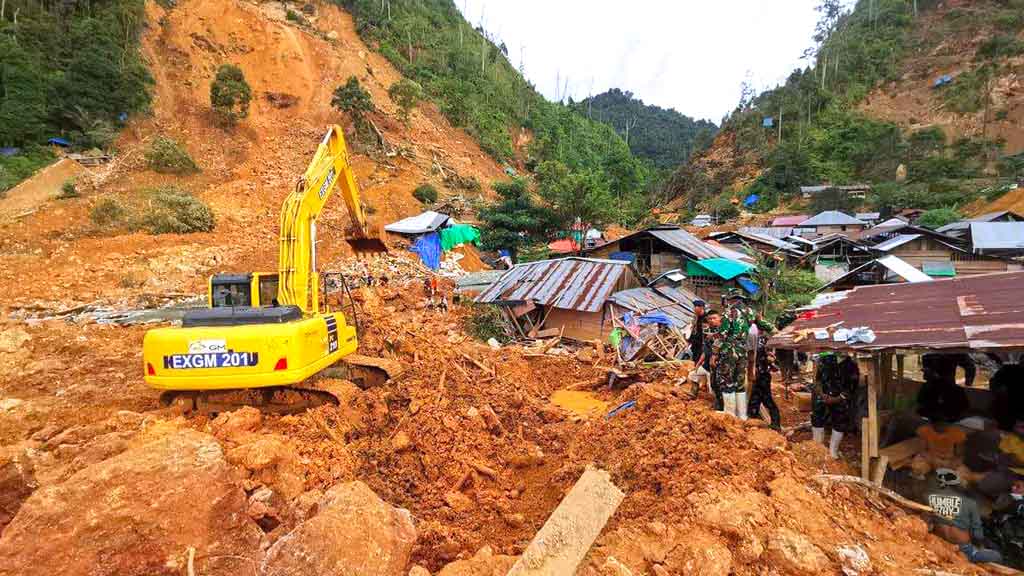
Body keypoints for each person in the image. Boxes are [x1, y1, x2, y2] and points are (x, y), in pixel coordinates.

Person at [928, 468, 1003, 564]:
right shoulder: (966, 505)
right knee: (996, 556)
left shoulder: (934, 503)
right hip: (961, 548)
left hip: (946, 543)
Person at [713, 292, 753, 420]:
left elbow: (722, 335)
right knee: (739, 382)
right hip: (742, 351)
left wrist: (715, 352)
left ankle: (729, 414)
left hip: (729, 351)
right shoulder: (749, 313)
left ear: (730, 300)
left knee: (727, 381)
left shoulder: (728, 314)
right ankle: (742, 415)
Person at [811, 353, 853, 459]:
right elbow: (817, 380)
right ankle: (817, 447)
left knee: (840, 421)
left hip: (840, 399)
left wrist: (836, 399)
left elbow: (850, 388)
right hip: (822, 396)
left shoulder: (851, 366)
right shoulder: (825, 360)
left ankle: (833, 451)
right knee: (817, 417)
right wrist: (822, 394)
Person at [747, 331, 781, 430]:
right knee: (755, 400)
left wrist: (769, 360)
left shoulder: (762, 339)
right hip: (758, 375)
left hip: (762, 376)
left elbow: (771, 358)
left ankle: (775, 424)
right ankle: (754, 422)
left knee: (765, 400)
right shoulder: (755, 338)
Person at [687, 299, 709, 399]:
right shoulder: (696, 318)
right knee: (697, 366)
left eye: (696, 307)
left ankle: (701, 390)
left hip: (703, 348)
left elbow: (706, 335)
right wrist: (690, 340)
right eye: (694, 307)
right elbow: (694, 331)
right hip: (696, 347)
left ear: (701, 307)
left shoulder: (706, 319)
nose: (694, 308)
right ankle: (695, 390)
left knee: (702, 368)